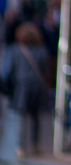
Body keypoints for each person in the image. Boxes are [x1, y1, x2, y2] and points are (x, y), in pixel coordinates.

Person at [0, 22, 50, 157]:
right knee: (35, 117)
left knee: (20, 117)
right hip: (37, 87)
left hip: (21, 87)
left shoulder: (15, 50)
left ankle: (20, 147)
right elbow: (45, 70)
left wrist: (7, 88)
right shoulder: (42, 50)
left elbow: (7, 70)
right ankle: (35, 145)